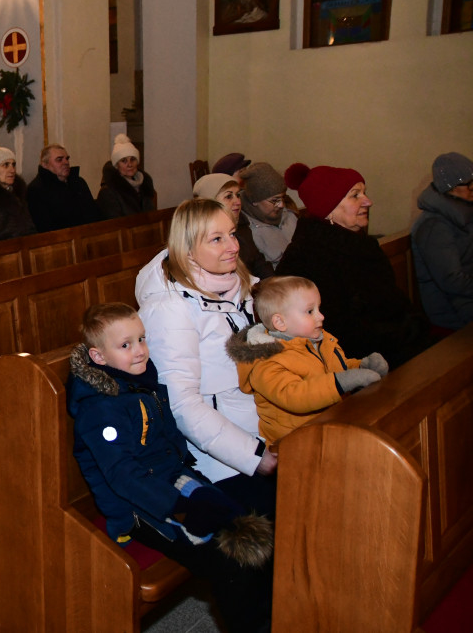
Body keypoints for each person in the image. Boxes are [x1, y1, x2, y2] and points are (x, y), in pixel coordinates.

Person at [68, 302, 273, 633]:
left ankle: (268, 617)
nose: (140, 351)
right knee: (227, 560)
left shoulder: (139, 383)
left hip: (173, 482)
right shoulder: (100, 410)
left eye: (141, 339)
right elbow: (123, 476)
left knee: (248, 522)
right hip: (137, 508)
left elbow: (168, 446)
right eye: (125, 345)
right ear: (98, 357)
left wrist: (200, 486)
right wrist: (180, 507)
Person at [135, 199, 277, 515]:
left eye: (232, 233)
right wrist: (255, 455)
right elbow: (182, 404)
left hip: (270, 429)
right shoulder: (170, 309)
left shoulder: (244, 286)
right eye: (216, 239)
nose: (233, 246)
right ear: (187, 251)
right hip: (223, 461)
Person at [279, 163, 431, 367]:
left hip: (394, 344)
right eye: (355, 195)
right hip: (357, 363)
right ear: (328, 208)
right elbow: (338, 331)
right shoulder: (306, 258)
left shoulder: (362, 245)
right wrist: (402, 334)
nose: (368, 201)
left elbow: (394, 301)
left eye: (364, 193)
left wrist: (414, 326)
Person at [226, 276, 388, 445]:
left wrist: (361, 366)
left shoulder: (318, 341)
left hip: (331, 428)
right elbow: (296, 396)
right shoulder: (266, 361)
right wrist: (343, 382)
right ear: (280, 322)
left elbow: (335, 369)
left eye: (319, 308)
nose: (321, 316)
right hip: (296, 444)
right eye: (310, 311)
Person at [411, 152, 473, 331]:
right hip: (451, 309)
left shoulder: (464, 211)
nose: (472, 188)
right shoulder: (434, 226)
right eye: (468, 184)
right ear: (450, 187)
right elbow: (452, 281)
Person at [193, 172, 272, 279]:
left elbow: (258, 262)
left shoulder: (242, 224)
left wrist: (273, 285)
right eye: (229, 196)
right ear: (210, 201)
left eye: (238, 195)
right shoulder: (201, 235)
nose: (238, 201)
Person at [27, 144, 100, 232]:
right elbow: (44, 227)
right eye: (59, 160)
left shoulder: (79, 183)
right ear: (45, 164)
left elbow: (94, 214)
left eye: (67, 158)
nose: (66, 162)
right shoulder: (36, 190)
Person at [238, 163, 297, 271]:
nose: (281, 205)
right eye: (275, 200)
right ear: (255, 200)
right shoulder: (246, 230)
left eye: (282, 198)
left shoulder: (290, 216)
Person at [96, 134, 156, 218]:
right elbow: (114, 225)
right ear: (117, 165)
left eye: (133, 159)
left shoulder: (145, 185)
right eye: (124, 161)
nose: (129, 164)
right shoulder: (108, 193)